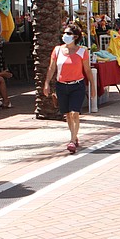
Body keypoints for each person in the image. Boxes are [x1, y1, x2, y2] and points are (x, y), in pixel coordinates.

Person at [42, 24, 95, 153]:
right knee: (67, 114)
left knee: (74, 113)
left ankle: (72, 141)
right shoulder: (57, 50)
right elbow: (52, 68)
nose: (65, 35)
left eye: (68, 33)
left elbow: (87, 70)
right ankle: (74, 136)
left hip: (77, 85)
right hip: (61, 86)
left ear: (75, 37)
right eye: (64, 33)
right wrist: (47, 83)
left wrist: (93, 86)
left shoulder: (82, 51)